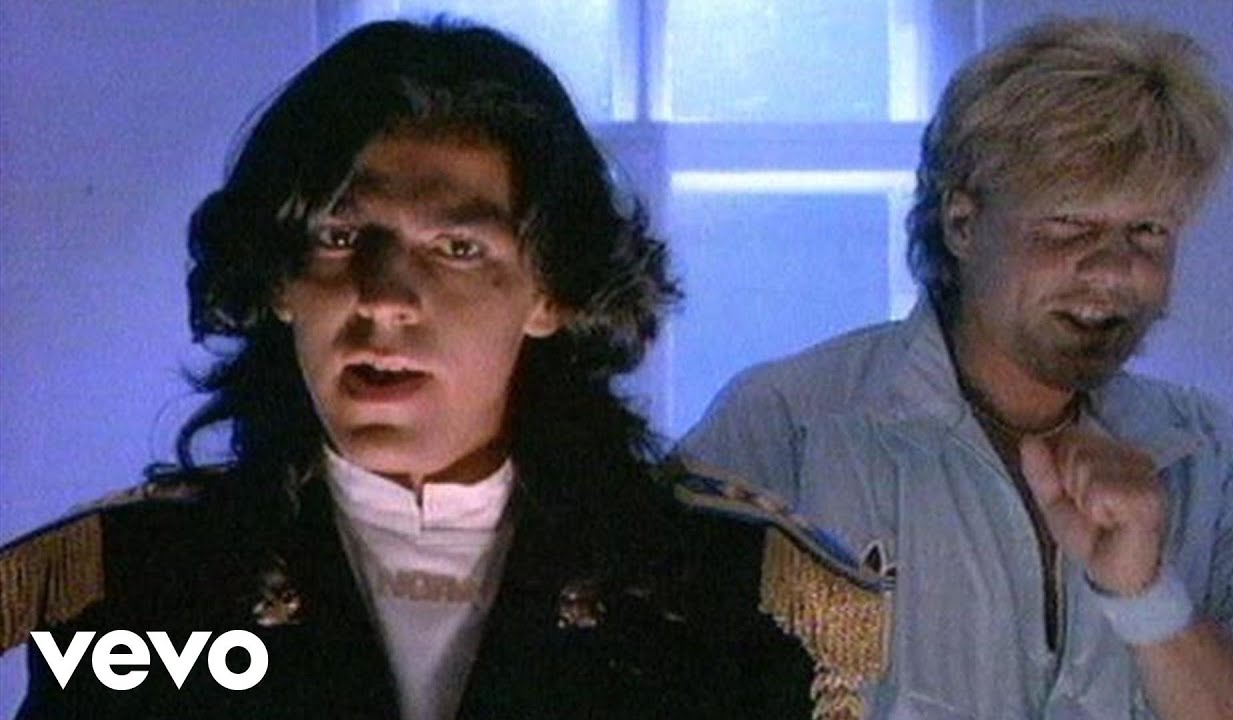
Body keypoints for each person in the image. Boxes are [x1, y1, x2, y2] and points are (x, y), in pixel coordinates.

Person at [2, 19, 816, 719]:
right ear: (280, 282)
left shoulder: (719, 595)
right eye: (338, 237)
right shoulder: (138, 590)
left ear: (550, 294)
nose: (384, 299)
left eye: (457, 248)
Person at [671, 17, 1233, 719]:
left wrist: (1148, 599)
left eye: (1148, 230)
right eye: (1069, 224)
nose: (1114, 270)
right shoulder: (792, 427)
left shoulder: (1202, 452)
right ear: (961, 223)